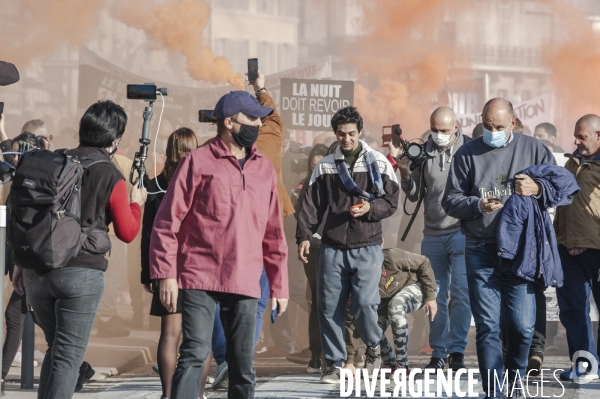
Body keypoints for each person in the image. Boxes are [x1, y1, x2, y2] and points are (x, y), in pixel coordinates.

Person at [150, 90, 289, 399]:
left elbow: (274, 233)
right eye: (251, 118)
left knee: (242, 363)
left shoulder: (264, 168)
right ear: (229, 122)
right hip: (199, 276)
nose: (257, 124)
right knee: (195, 354)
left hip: (245, 278)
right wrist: (166, 275)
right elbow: (166, 222)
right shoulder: (197, 162)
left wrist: (279, 285)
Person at [13, 100, 146, 398]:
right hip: (80, 274)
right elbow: (127, 231)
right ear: (115, 138)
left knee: (57, 350)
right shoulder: (109, 174)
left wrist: (20, 261)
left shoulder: (55, 161)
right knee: (67, 356)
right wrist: (138, 202)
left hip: (37, 269)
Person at [442, 98, 555, 398]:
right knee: (488, 327)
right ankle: (495, 391)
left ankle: (515, 381)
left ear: (513, 123)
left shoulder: (534, 149)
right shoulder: (467, 154)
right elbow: (450, 200)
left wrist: (539, 188)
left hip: (522, 251)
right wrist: (477, 204)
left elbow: (561, 189)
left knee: (522, 327)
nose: (492, 132)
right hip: (481, 249)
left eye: (499, 127)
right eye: (488, 126)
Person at [296, 106, 399, 383]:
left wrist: (369, 208)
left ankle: (374, 346)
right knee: (329, 307)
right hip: (332, 246)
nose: (346, 139)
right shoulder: (325, 165)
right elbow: (310, 206)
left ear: (360, 132)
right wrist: (304, 236)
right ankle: (334, 363)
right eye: (341, 134)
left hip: (368, 246)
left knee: (366, 304)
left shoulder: (378, 162)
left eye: (351, 133)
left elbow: (391, 201)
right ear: (335, 134)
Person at [389, 106, 471, 372]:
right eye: (434, 129)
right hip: (433, 233)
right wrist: (404, 173)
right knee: (432, 295)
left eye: (444, 130)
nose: (438, 135)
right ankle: (438, 351)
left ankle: (457, 350)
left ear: (456, 128)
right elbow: (413, 194)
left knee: (460, 294)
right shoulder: (423, 152)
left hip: (462, 232)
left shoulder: (469, 150)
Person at [140, 128, 200, 399]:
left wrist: (147, 273)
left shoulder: (155, 184)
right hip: (197, 266)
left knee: (170, 333)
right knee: (198, 336)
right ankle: (196, 394)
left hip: (166, 267)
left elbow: (148, 234)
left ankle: (167, 394)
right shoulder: (201, 181)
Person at [553, 114, 600, 381]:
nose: (576, 141)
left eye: (582, 136)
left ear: (598, 135)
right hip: (567, 249)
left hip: (597, 250)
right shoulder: (571, 162)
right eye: (575, 136)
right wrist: (560, 238)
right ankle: (585, 364)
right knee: (572, 309)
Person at [288, 144, 329, 374]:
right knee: (316, 301)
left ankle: (340, 353)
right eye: (313, 166)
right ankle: (316, 354)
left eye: (320, 166)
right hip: (314, 248)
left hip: (335, 247)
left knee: (335, 301)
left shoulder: (337, 181)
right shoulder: (305, 185)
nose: (317, 170)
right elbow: (300, 215)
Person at [378, 248, 437, 372]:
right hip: (387, 297)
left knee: (396, 304)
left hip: (417, 285)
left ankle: (402, 365)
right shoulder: (359, 269)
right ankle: (389, 363)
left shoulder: (391, 256)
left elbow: (424, 262)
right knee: (370, 326)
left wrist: (430, 296)